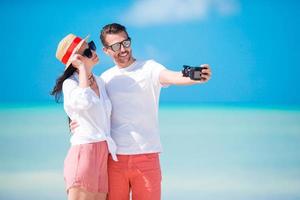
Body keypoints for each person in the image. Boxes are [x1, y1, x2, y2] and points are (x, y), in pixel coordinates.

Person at [71, 23, 212, 200]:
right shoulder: (105, 79)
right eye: (116, 46)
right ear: (106, 51)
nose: (123, 49)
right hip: (113, 160)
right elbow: (88, 106)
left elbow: (174, 76)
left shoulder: (149, 68)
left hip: (146, 158)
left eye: (126, 43)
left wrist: (195, 76)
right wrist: (74, 122)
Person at [51, 33, 117, 200]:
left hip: (103, 153)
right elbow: (84, 102)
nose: (93, 52)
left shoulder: (100, 82)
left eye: (92, 46)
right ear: (76, 60)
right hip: (84, 152)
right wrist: (82, 69)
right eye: (87, 52)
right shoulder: (70, 84)